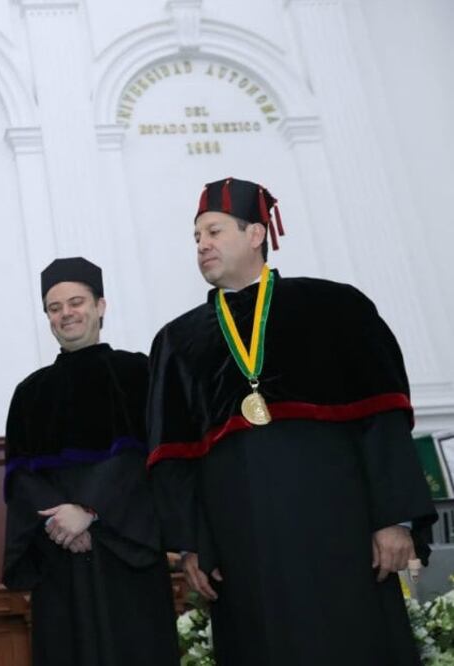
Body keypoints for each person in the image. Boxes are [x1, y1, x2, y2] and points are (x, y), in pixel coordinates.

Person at [147, 178, 436, 665]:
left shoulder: (336, 308)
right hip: (243, 546)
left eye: (214, 231)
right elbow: (174, 460)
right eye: (197, 238)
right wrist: (192, 546)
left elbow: (382, 419)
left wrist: (394, 518)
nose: (202, 245)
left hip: (340, 531)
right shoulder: (178, 342)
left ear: (256, 233)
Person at [2, 257, 179, 665]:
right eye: (55, 307)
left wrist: (90, 511)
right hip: (59, 560)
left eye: (76, 302)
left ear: (101, 306)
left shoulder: (139, 373)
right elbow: (20, 481)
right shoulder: (30, 393)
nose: (66, 313)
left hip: (128, 556)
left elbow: (152, 461)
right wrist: (58, 519)